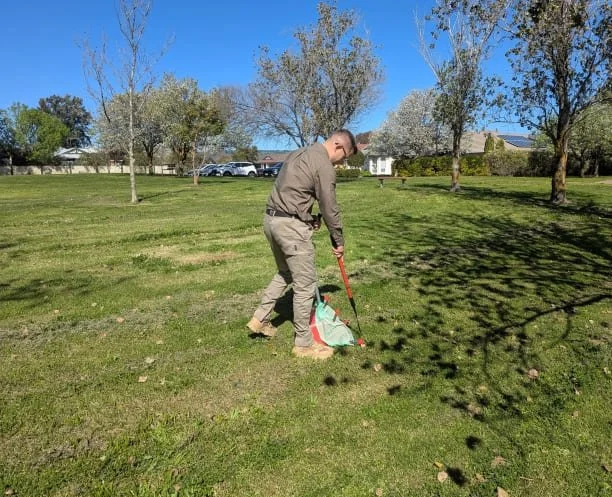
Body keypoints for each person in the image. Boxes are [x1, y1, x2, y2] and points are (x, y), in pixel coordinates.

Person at [247, 129, 357, 360]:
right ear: (338, 144)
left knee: (285, 272)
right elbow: (330, 207)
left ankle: (260, 318)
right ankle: (304, 344)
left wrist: (307, 219)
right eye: (345, 156)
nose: (342, 161)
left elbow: (292, 193)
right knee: (305, 285)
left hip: (271, 220)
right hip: (289, 227)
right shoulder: (324, 165)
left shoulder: (299, 153)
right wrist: (338, 240)